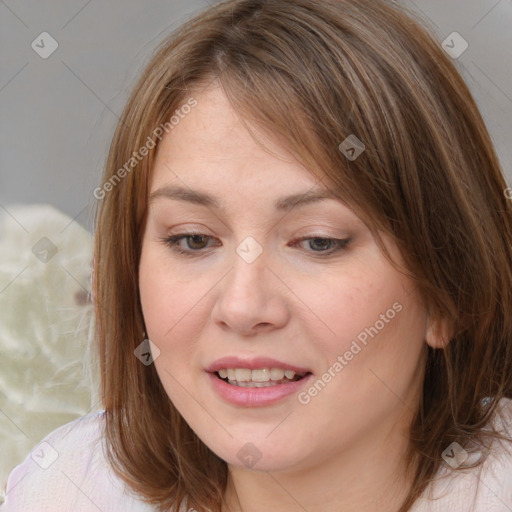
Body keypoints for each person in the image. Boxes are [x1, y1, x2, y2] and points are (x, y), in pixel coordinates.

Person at [2, 0, 512, 510]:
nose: (243, 308)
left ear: (449, 293)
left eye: (318, 241)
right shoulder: (66, 490)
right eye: (193, 240)